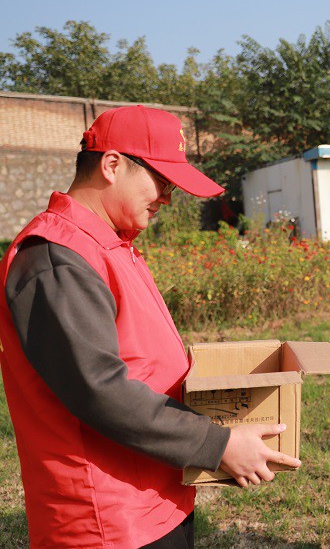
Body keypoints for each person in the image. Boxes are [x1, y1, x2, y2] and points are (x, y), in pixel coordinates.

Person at [0, 105, 301, 548]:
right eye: (162, 180)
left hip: (152, 496)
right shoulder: (56, 259)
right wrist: (217, 445)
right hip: (105, 520)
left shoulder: (107, 243)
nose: (167, 197)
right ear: (112, 165)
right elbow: (99, 389)